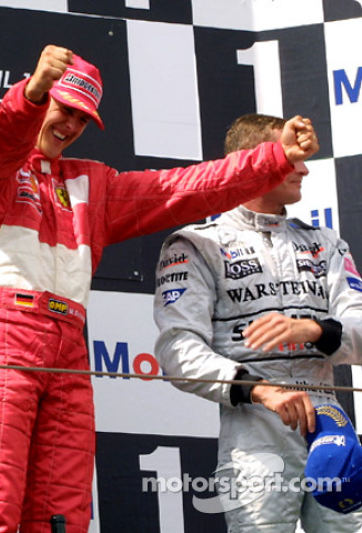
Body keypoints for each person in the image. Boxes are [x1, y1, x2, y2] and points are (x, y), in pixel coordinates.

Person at [0, 45, 319, 533]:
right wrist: (28, 97)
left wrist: (274, 157)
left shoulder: (92, 184)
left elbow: (182, 189)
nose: (71, 126)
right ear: (39, 96)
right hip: (2, 336)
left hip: (69, 345)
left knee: (62, 511)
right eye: (63, 110)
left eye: (82, 119)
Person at [153, 113, 362, 531]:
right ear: (257, 160)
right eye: (291, 156)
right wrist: (259, 389)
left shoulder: (325, 243)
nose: (303, 167)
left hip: (331, 428)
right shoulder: (196, 244)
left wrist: (316, 330)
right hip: (253, 431)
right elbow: (177, 349)